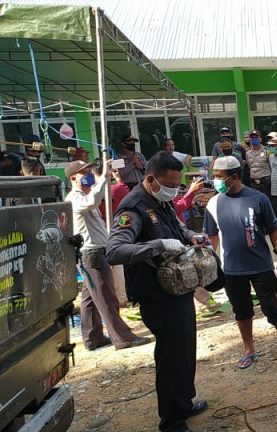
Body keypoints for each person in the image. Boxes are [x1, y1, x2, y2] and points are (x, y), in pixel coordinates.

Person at [106, 152, 208, 432]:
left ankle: (184, 403)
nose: (174, 191)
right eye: (170, 185)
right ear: (151, 179)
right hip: (156, 293)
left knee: (186, 349)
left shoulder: (159, 200)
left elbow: (176, 225)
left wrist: (189, 236)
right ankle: (172, 421)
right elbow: (114, 250)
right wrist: (158, 246)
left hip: (178, 288)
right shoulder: (133, 207)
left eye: (177, 185)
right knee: (171, 356)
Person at [203, 156, 277, 368]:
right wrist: (210, 264)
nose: (215, 181)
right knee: (242, 310)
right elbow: (211, 237)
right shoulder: (213, 203)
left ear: (235, 177)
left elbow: (274, 230)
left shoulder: (258, 199)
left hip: (261, 267)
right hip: (231, 270)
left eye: (219, 177)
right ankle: (249, 349)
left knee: (273, 308)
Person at [65, 160, 151, 351]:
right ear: (73, 178)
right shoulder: (75, 198)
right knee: (106, 298)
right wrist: (103, 177)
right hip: (91, 253)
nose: (88, 174)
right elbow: (93, 201)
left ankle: (92, 337)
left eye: (89, 170)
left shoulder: (84, 195)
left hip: (95, 251)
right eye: (84, 172)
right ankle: (123, 337)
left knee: (90, 299)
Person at [245, 130, 272, 197]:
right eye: (252, 138)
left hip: (265, 183)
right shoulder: (247, 153)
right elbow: (249, 166)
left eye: (256, 137)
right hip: (254, 183)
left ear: (260, 139)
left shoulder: (267, 151)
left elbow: (272, 166)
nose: (254, 139)